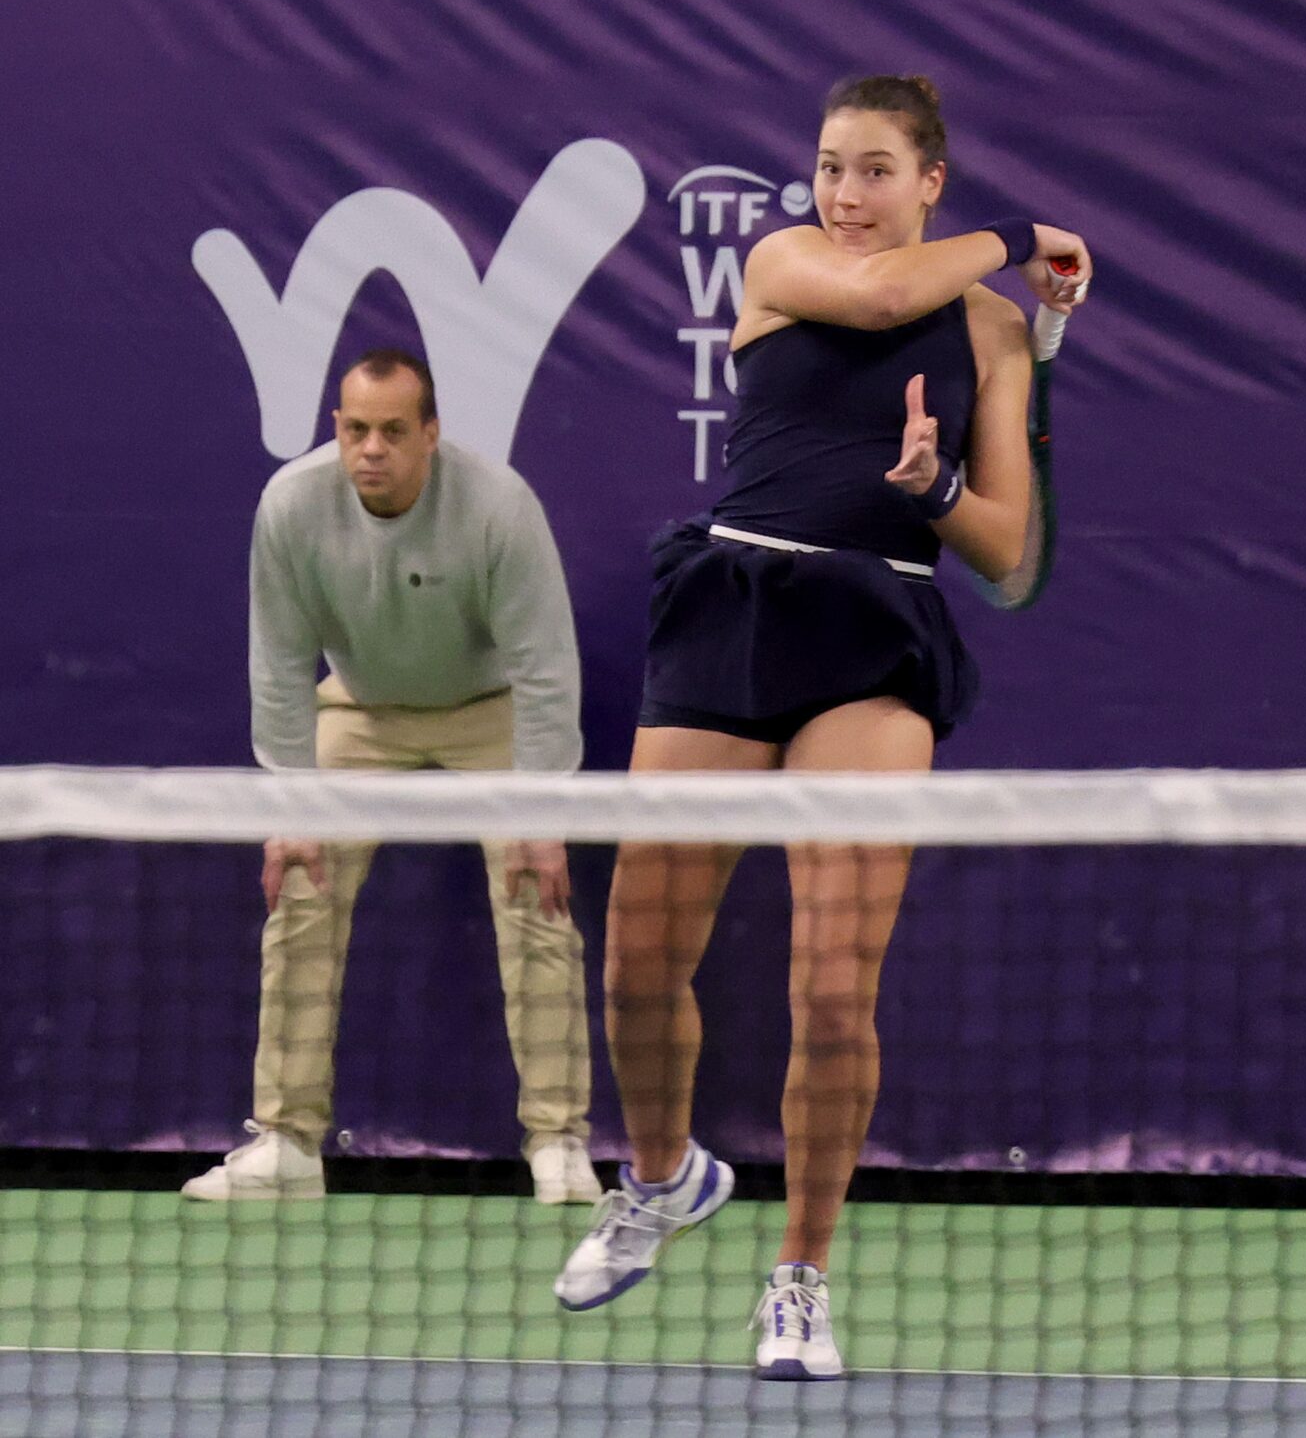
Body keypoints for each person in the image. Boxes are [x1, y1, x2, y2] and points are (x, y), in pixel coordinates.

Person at [552, 74, 1091, 1381]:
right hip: (732, 610)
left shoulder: (995, 332)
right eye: (831, 166)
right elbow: (882, 297)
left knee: (836, 987)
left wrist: (938, 485)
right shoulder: (785, 263)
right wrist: (1024, 236)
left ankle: (801, 1275)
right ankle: (665, 1175)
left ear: (929, 181)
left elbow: (1009, 555)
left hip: (875, 641)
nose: (844, 193)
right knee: (635, 965)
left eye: (875, 170)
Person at [187, 349, 598, 1207]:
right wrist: (292, 807)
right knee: (301, 883)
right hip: (362, 709)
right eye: (356, 429)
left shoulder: (498, 506)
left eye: (393, 431)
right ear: (337, 429)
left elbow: (546, 669)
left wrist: (541, 813)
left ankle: (559, 1140)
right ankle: (287, 1141)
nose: (371, 448)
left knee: (535, 891)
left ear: (431, 434)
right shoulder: (292, 505)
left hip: (490, 709)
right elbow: (279, 665)